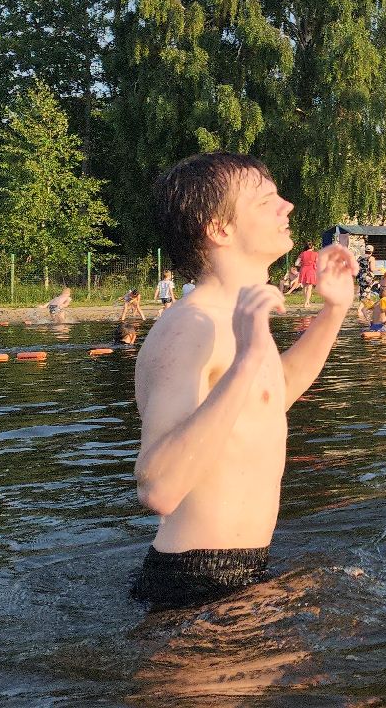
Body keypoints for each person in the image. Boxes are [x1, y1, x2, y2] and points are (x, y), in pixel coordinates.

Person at [130, 152, 355, 611]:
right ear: (219, 229)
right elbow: (158, 488)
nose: (287, 206)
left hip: (244, 571)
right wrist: (247, 361)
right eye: (266, 200)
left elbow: (272, 396)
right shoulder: (190, 327)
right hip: (195, 582)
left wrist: (334, 312)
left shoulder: (236, 315)